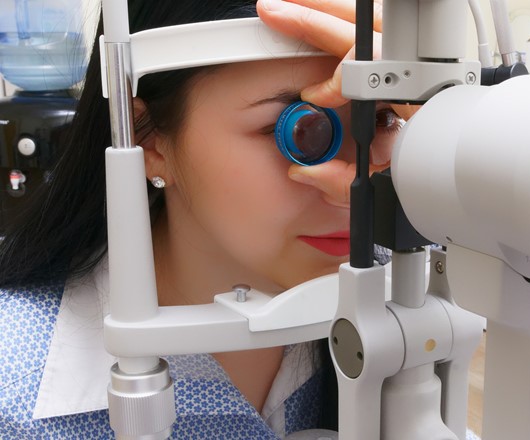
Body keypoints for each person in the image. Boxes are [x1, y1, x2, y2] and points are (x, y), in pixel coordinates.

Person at [0, 0, 414, 437]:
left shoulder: (413, 292)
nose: (350, 188)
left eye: (382, 118)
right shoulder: (15, 386)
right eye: (304, 130)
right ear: (147, 139)